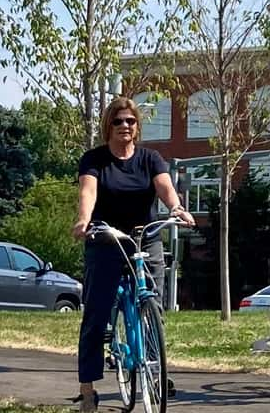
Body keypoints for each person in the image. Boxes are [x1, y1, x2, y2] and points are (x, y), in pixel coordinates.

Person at [72, 97, 196, 413]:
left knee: (151, 304)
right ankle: (88, 389)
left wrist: (176, 208)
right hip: (107, 239)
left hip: (145, 237)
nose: (125, 126)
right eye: (118, 121)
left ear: (137, 126)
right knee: (97, 316)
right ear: (108, 127)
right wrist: (84, 219)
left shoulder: (150, 158)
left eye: (130, 121)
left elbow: (165, 187)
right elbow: (89, 191)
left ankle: (155, 371)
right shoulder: (95, 160)